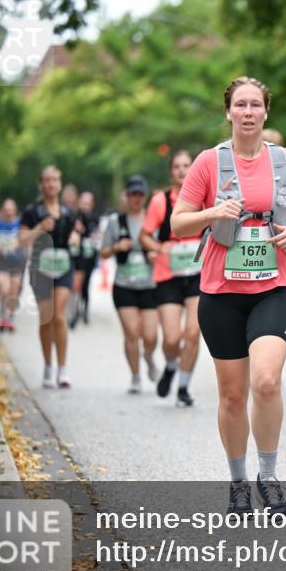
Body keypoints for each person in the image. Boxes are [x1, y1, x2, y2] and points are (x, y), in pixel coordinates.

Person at [170, 76, 286, 516]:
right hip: (221, 290)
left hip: (273, 286)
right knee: (232, 394)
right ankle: (238, 483)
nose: (248, 112)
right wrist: (214, 212)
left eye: (256, 105)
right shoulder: (208, 163)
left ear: (266, 112)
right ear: (229, 112)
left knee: (266, 381)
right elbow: (178, 223)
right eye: (240, 105)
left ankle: (268, 478)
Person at [140, 150, 201, 407]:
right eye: (177, 166)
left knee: (193, 334)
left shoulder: (204, 198)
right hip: (168, 274)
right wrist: (156, 248)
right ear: (171, 171)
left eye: (187, 166)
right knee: (172, 339)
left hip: (197, 272)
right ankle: (171, 365)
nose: (182, 170)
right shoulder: (160, 201)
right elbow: (144, 235)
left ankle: (184, 388)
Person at [20, 165, 81, 388]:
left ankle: (63, 369)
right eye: (47, 180)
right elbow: (22, 240)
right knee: (46, 318)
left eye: (55, 180)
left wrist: (76, 238)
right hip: (40, 268)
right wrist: (39, 228)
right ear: (41, 184)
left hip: (64, 266)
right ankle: (48, 366)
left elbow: (76, 232)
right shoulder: (31, 211)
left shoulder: (68, 212)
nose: (51, 184)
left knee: (58, 315)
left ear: (60, 183)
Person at [102, 175, 160, 393]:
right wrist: (117, 246)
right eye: (133, 194)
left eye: (140, 194)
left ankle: (149, 355)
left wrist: (155, 253)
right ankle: (135, 376)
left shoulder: (152, 219)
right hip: (124, 284)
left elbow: (162, 246)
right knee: (131, 332)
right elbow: (104, 252)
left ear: (145, 196)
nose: (136, 198)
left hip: (149, 285)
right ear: (126, 196)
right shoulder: (115, 222)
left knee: (151, 335)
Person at [0, 199, 27, 332]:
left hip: (17, 262)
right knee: (4, 289)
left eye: (10, 209)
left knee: (14, 292)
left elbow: (25, 239)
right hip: (3, 262)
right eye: (6, 210)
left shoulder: (20, 223)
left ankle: (9, 317)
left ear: (15, 210)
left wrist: (17, 243)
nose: (8, 212)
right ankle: (4, 315)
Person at [69, 191, 99, 328]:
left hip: (90, 256)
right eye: (84, 202)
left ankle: (85, 311)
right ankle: (74, 313)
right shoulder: (74, 217)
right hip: (77, 255)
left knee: (86, 285)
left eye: (88, 203)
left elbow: (97, 236)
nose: (86, 205)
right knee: (76, 285)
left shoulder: (95, 218)